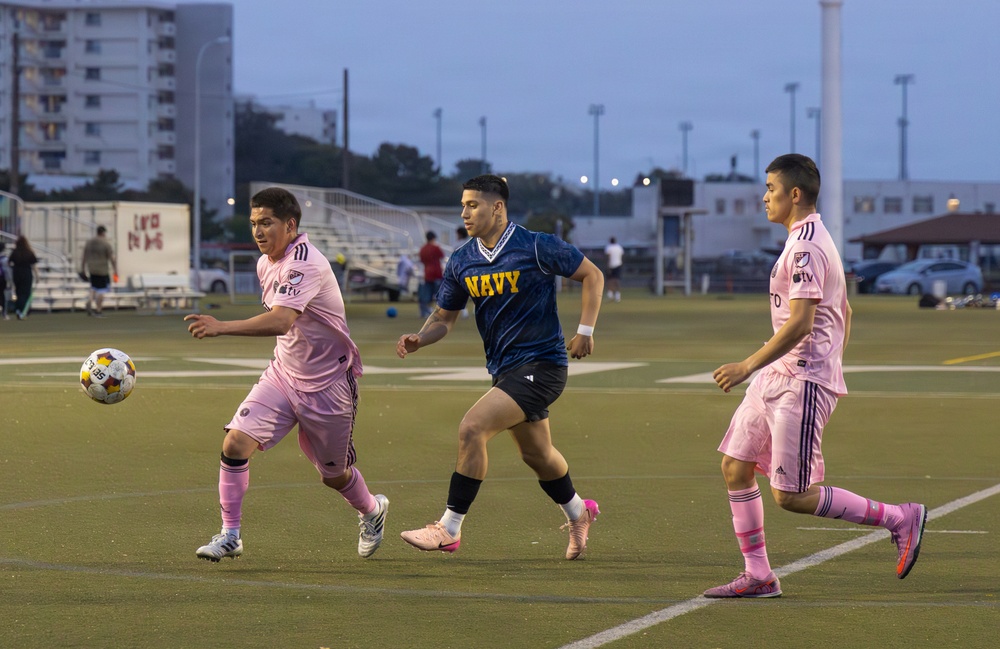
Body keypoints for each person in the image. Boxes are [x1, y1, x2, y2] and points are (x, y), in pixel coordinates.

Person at [704, 154, 927, 599]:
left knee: (792, 495)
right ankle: (759, 576)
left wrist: (752, 365)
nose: (765, 197)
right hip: (779, 376)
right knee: (735, 466)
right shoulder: (806, 239)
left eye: (770, 188)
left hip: (799, 382)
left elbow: (803, 322)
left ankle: (898, 518)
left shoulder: (806, 245)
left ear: (795, 194)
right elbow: (844, 309)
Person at [396, 174, 605, 560]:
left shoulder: (537, 246)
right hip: (505, 371)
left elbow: (593, 274)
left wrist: (585, 331)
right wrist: (420, 338)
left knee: (472, 428)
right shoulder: (462, 260)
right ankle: (579, 513)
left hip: (543, 365)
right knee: (537, 456)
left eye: (472, 205)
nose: (465, 213)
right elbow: (444, 316)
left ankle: (449, 528)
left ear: (498, 207)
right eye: (463, 205)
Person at [184, 187, 388, 561]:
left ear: (290, 225)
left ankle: (371, 510)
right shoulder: (266, 263)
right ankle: (231, 535)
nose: (258, 231)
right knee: (234, 444)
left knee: (334, 475)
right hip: (283, 375)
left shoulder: (305, 262)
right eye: (253, 223)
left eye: (267, 223)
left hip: (328, 385)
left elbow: (281, 320)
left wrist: (221, 326)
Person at [80, 225, 118, 317]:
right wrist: (115, 269)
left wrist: (83, 268)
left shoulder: (89, 243)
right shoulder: (105, 244)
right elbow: (111, 258)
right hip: (102, 269)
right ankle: (98, 309)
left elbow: (84, 256)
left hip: (91, 268)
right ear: (103, 233)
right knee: (101, 290)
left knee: (94, 288)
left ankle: (89, 300)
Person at [8, 235, 39, 320]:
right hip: (26, 273)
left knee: (18, 292)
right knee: (26, 293)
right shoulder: (29, 252)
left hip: (17, 273)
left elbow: (9, 263)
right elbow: (34, 265)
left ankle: (18, 309)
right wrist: (37, 276)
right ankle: (24, 310)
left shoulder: (15, 252)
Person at [417, 230, 445, 318]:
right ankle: (440, 312)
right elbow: (442, 256)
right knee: (438, 294)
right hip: (436, 273)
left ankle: (425, 312)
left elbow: (421, 260)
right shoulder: (436, 248)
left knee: (427, 294)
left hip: (427, 273)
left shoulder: (423, 249)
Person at [604, 236, 624, 302]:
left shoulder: (608, 247)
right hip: (618, 264)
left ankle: (610, 295)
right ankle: (617, 296)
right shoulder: (619, 247)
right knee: (617, 280)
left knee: (610, 280)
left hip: (611, 265)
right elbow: (621, 256)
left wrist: (608, 266)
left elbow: (608, 257)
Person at [0, 242, 10, 320]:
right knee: (2, 295)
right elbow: (7, 270)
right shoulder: (4, 259)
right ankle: (4, 313)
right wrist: (9, 280)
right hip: (1, 278)